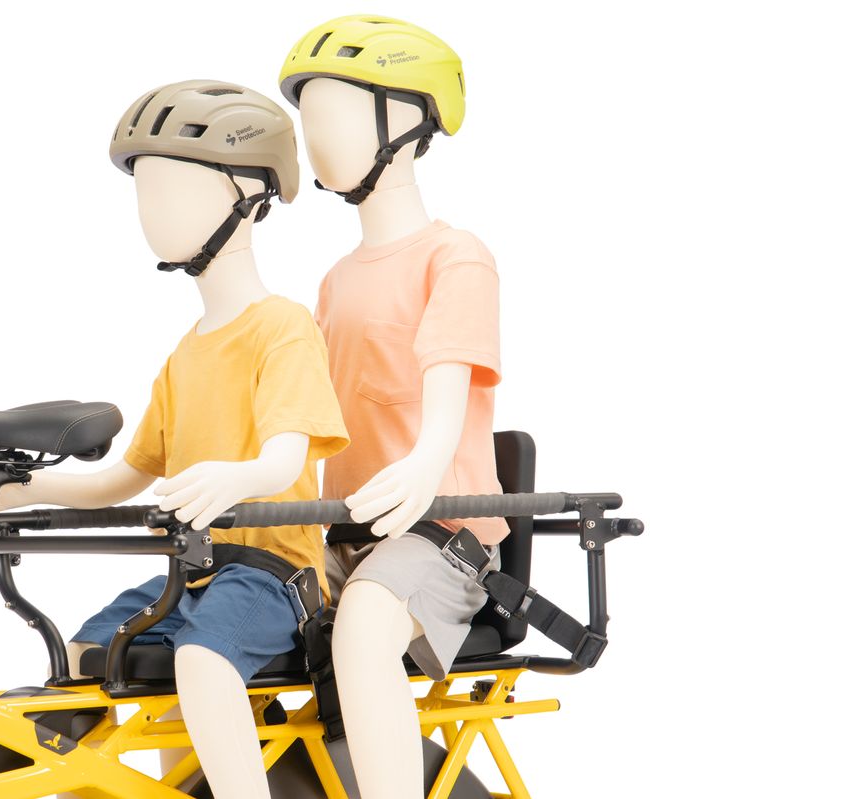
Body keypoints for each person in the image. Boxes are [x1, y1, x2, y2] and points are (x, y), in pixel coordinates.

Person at [0, 79, 348, 799]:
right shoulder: (185, 354)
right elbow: (120, 480)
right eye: (144, 193)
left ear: (249, 194)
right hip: (191, 571)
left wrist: (235, 476)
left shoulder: (282, 327)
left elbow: (285, 457)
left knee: (202, 661)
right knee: (86, 656)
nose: (153, 212)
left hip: (270, 572)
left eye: (176, 189)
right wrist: (23, 489)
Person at [279, 16, 509, 799]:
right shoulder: (335, 281)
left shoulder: (456, 256)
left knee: (366, 623)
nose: (318, 138)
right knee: (211, 621)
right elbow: (308, 421)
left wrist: (422, 463)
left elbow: (444, 405)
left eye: (337, 114)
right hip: (343, 532)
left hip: (441, 534)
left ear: (408, 122)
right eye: (308, 120)